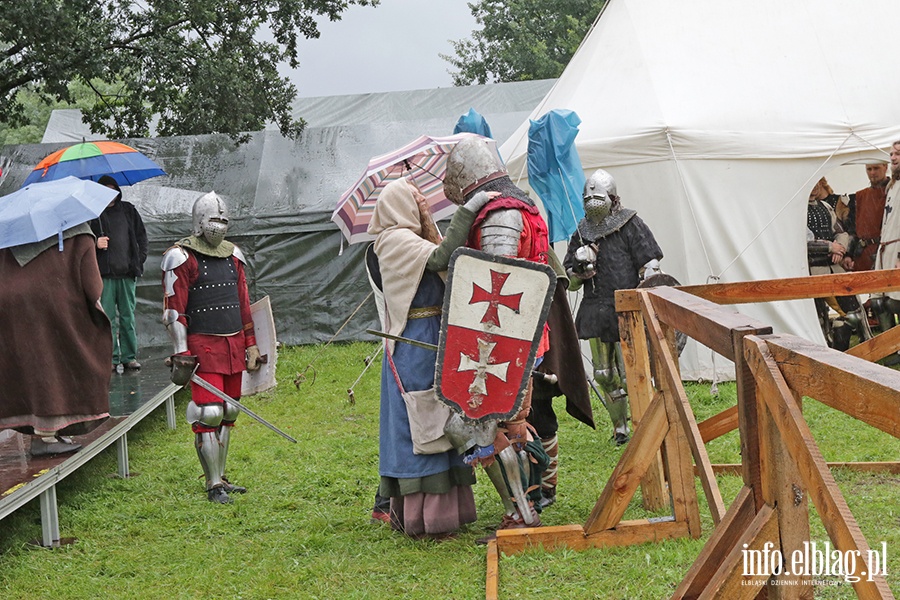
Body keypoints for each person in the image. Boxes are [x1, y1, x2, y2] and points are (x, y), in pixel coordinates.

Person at [442, 136, 594, 530]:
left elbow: (499, 281)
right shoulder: (521, 204)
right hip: (521, 338)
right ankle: (529, 500)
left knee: (480, 425)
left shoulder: (502, 215)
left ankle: (521, 512)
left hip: (505, 341)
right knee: (508, 422)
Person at [366, 177, 495, 539]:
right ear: (398, 205)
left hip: (435, 335)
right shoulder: (392, 241)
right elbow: (442, 258)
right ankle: (424, 518)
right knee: (421, 422)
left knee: (442, 416)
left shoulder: (415, 238)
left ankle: (447, 511)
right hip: (414, 343)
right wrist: (469, 208)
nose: (423, 204)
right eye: (415, 199)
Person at [161, 191, 261, 504]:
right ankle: (213, 483)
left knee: (229, 410)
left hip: (233, 344)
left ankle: (222, 475)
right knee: (209, 412)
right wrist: (181, 351)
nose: (219, 225)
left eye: (223, 220)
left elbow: (243, 305)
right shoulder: (180, 257)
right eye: (213, 219)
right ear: (200, 221)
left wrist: (252, 345)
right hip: (203, 346)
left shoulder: (234, 256)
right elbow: (173, 310)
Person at [563, 168, 663, 446]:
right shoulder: (582, 232)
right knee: (604, 375)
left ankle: (646, 422)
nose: (592, 203)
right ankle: (620, 428)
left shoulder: (630, 224)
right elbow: (569, 281)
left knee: (633, 371)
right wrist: (580, 269)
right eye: (588, 198)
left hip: (626, 307)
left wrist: (649, 284)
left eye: (598, 197)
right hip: (595, 309)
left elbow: (651, 265)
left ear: (613, 198)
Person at [0, 223, 111, 456]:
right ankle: (47, 436)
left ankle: (46, 433)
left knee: (29, 366)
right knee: (53, 364)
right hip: (55, 306)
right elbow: (94, 286)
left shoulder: (8, 231)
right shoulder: (78, 231)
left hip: (10, 305)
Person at [89, 175, 148, 372]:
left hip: (127, 275)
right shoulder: (92, 215)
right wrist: (95, 244)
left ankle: (129, 357)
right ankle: (111, 359)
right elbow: (81, 242)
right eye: (105, 189)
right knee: (107, 320)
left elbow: (142, 237)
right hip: (104, 277)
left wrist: (138, 260)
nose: (110, 193)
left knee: (127, 318)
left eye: (113, 189)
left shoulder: (128, 210)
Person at [806, 177, 870, 349]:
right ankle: (828, 352)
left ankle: (867, 345)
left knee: (854, 311)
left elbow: (841, 232)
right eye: (811, 184)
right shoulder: (797, 212)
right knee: (820, 318)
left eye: (818, 183)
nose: (815, 188)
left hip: (835, 267)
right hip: (813, 270)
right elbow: (800, 242)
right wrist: (829, 247)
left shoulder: (826, 207)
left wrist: (839, 246)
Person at [871, 143, 900, 331]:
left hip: (897, 250)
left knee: (896, 302)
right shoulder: (892, 185)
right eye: (891, 154)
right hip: (886, 248)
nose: (893, 158)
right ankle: (890, 348)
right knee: (879, 302)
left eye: (898, 154)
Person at [847, 163, 889, 272]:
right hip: (862, 255)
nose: (872, 172)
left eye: (876, 168)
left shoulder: (894, 191)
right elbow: (853, 229)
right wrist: (848, 255)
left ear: (885, 167)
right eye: (869, 169)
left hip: (887, 252)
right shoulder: (860, 196)